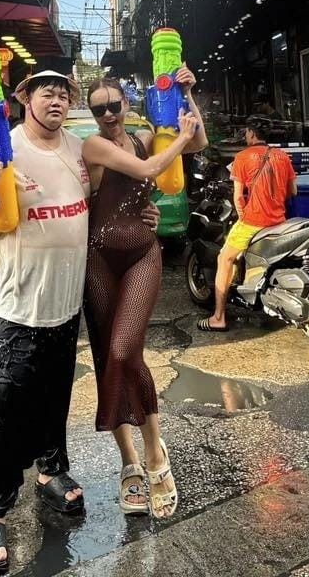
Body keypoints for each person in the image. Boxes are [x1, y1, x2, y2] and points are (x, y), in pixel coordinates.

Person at [0, 70, 160, 575]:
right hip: (20, 308)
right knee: (10, 412)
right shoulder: (3, 148)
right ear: (24, 99)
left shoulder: (78, 148)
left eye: (62, 94)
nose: (55, 100)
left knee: (56, 398)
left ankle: (51, 472)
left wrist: (145, 214)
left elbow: (109, 199)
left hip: (67, 304)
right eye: (45, 93)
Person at [82, 71, 206, 519]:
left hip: (141, 254)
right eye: (99, 108)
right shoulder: (94, 146)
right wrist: (178, 139)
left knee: (123, 350)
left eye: (114, 105)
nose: (108, 114)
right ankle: (130, 462)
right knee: (109, 357)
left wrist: (187, 96)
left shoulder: (146, 137)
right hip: (98, 259)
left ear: (127, 104)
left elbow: (198, 142)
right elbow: (150, 170)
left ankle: (155, 453)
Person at [199, 116, 297, 333]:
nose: (245, 136)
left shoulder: (242, 157)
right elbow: (293, 191)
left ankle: (218, 317)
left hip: (254, 222)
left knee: (224, 258)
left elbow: (237, 198)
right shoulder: (282, 156)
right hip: (279, 221)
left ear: (251, 134)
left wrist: (244, 217)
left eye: (246, 132)